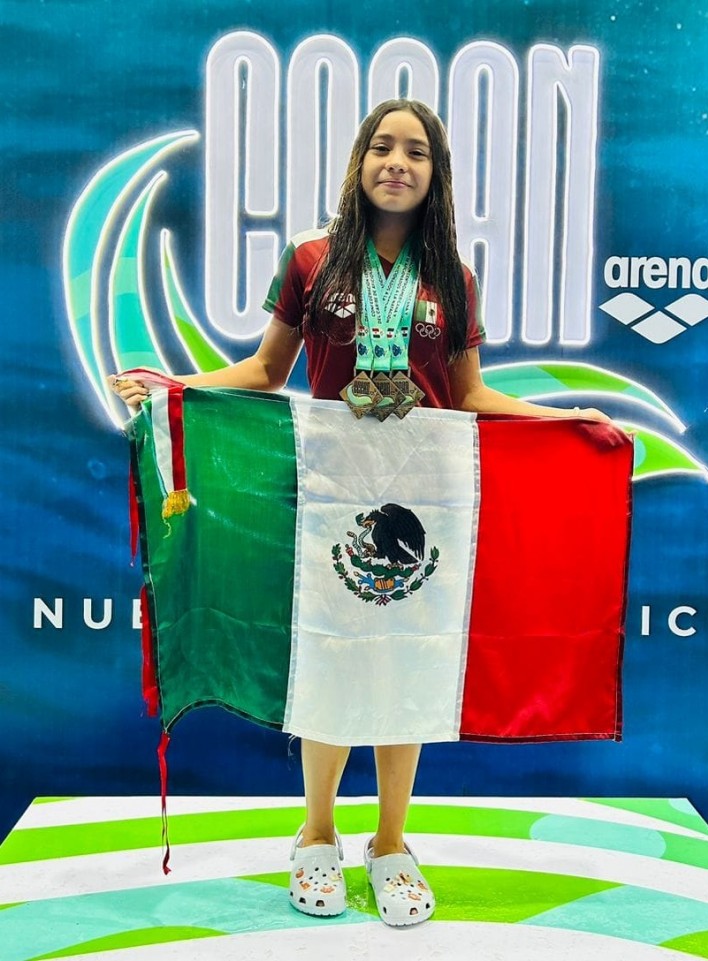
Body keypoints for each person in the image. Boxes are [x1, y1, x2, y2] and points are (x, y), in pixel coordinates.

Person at [111, 98, 615, 927]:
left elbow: (472, 393)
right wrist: (175, 386)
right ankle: (317, 832)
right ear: (360, 161)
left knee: (406, 662)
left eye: (416, 151)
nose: (397, 162)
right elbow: (265, 372)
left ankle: (391, 841)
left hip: (425, 499)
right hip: (331, 495)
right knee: (331, 659)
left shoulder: (453, 277)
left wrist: (566, 418)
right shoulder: (312, 259)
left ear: (435, 173)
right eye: (383, 146)